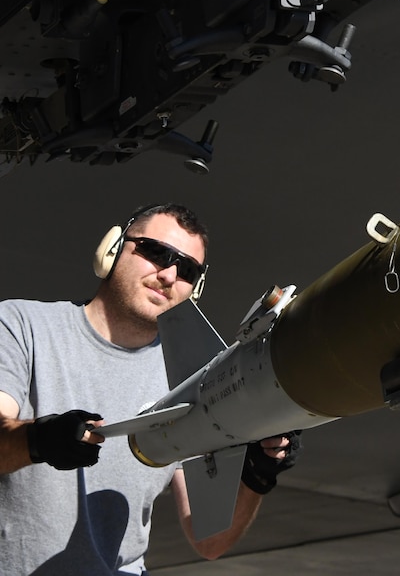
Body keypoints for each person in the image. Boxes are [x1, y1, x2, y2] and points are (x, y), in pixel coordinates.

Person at [0, 203, 298, 575]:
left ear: (196, 289)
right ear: (113, 249)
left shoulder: (193, 379)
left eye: (187, 269)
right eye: (156, 252)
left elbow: (209, 541)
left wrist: (257, 476)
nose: (169, 274)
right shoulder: (22, 326)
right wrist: (39, 440)